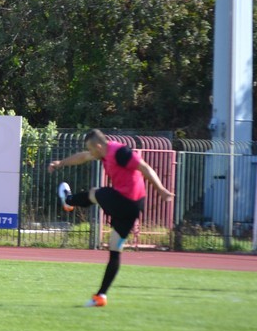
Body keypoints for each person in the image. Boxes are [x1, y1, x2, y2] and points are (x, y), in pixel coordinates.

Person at [48, 129, 174, 307]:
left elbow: (145, 167)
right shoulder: (103, 153)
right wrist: (61, 163)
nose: (90, 153)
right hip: (133, 208)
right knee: (115, 249)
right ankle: (101, 296)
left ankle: (68, 201)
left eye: (91, 149)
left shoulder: (120, 152)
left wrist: (161, 189)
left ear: (98, 146)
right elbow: (83, 157)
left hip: (126, 200)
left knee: (95, 193)